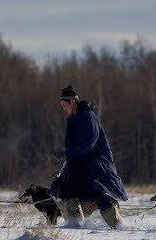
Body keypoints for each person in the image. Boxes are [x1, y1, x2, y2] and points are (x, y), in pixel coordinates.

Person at [48, 85, 127, 228]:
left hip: (95, 165)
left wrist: (68, 155)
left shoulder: (87, 117)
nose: (63, 107)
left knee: (96, 193)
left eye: (64, 104)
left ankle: (117, 225)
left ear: (72, 102)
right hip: (79, 164)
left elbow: (88, 143)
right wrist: (66, 155)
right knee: (62, 189)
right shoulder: (74, 118)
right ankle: (75, 225)